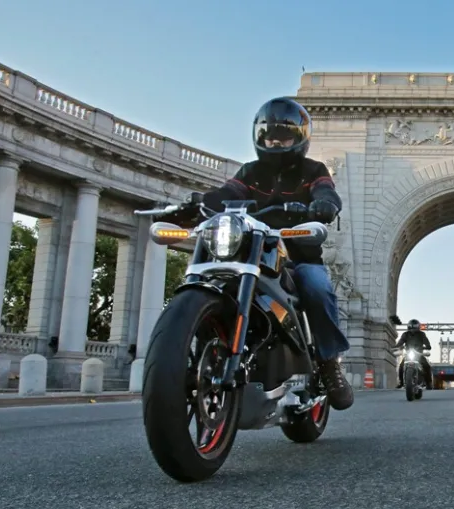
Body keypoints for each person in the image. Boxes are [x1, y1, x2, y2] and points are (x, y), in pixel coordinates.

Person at [162, 97, 354, 411]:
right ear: (260, 137)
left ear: (300, 139)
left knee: (317, 288)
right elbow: (228, 194)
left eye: (285, 137)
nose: (276, 142)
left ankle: (329, 362)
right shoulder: (249, 172)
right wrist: (198, 204)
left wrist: (325, 203)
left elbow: (325, 189)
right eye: (271, 137)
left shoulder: (313, 169)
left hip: (298, 257)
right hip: (253, 252)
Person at [393, 319, 433, 389]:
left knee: (427, 366)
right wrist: (395, 347)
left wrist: (427, 347)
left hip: (419, 354)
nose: (412, 328)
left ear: (418, 327)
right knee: (401, 366)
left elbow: (427, 343)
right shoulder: (405, 334)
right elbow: (400, 342)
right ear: (408, 327)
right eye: (411, 327)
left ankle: (428, 383)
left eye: (414, 327)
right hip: (409, 354)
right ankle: (401, 382)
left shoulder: (422, 334)